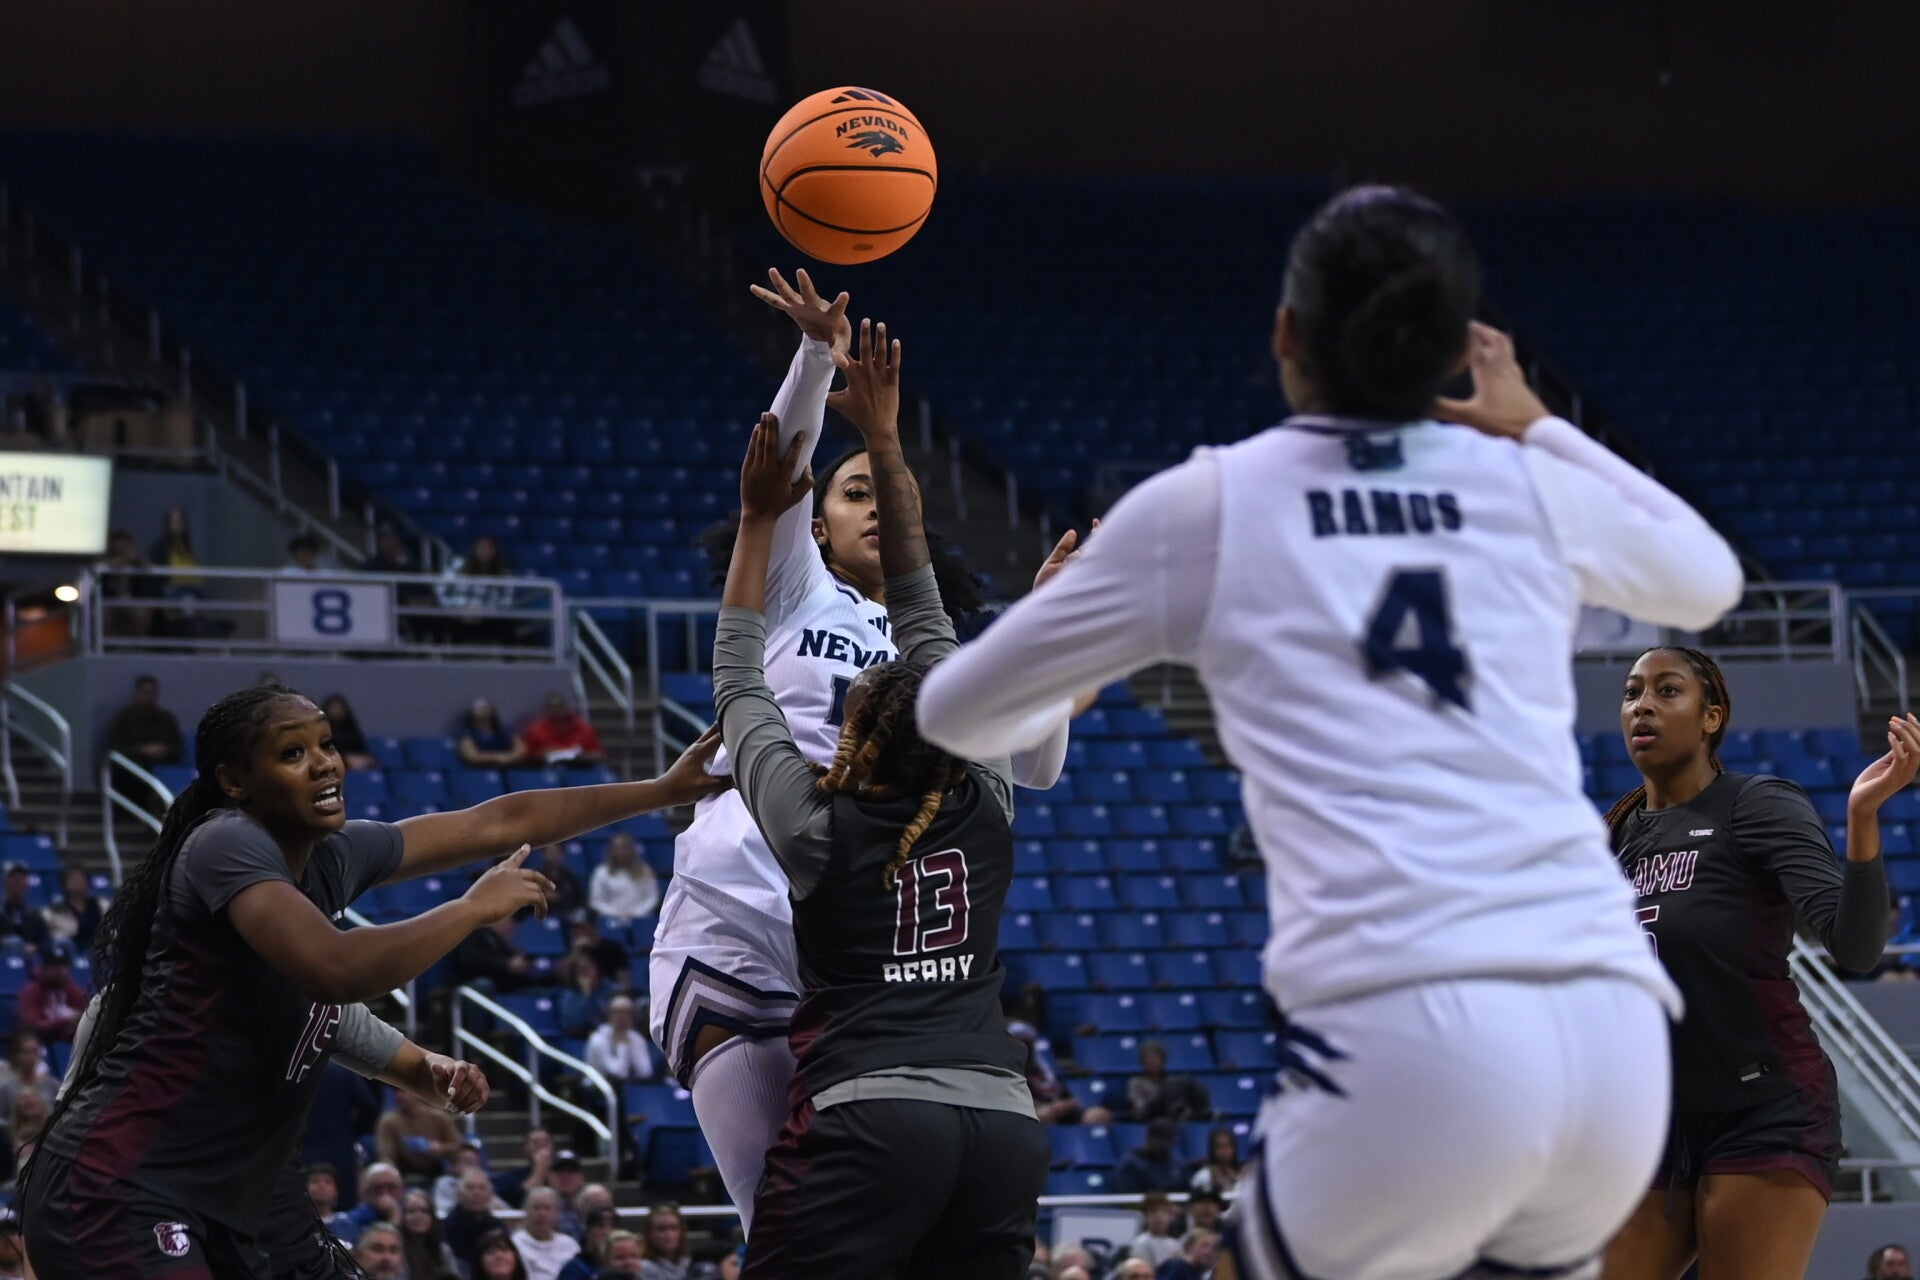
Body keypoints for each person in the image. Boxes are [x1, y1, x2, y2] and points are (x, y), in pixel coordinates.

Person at [915, 186, 1746, 1280]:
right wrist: (1536, 422)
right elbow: (1709, 579)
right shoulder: (1528, 481)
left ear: (1286, 335)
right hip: (1610, 1031)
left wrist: (1066, 642)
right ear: (1454, 352)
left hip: (1413, 1021)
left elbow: (950, 711)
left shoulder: (1213, 503)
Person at [19, 681, 725, 1278]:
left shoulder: (331, 855)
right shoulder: (223, 844)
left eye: (326, 744)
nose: (324, 764)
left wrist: (661, 790)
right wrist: (470, 908)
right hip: (122, 1183)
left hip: (240, 1192)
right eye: (292, 754)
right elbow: (337, 969)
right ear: (235, 782)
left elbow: (500, 820)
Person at [654, 270, 1072, 1235]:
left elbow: (1039, 764)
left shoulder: (944, 652)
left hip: (862, 954)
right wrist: (813, 357)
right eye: (854, 493)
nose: (875, 502)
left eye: (885, 490)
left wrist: (1047, 638)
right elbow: (784, 460)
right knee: (785, 1226)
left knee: (876, 1235)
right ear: (817, 524)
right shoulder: (798, 589)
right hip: (744, 918)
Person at [1602, 648, 1904, 1280]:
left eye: (1667, 690)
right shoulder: (1616, 837)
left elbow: (1856, 948)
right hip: (1658, 1115)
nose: (1643, 706)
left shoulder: (1755, 804)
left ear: (1711, 717)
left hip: (1764, 1108)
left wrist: (1862, 817)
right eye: (1632, 693)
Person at [378, 1084, 466, 1181]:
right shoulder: (389, 1121)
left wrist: (441, 1148)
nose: (399, 1095)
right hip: (404, 1172)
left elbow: (458, 1146)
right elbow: (386, 1155)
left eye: (404, 1091)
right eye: (396, 1092)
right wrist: (393, 1175)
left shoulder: (438, 1117)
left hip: (438, 1169)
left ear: (417, 1092)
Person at [107, 675, 187, 767]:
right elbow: (116, 748)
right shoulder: (123, 719)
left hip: (163, 766)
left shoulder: (167, 719)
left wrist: (164, 750)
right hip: (132, 768)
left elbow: (180, 749)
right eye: (145, 693)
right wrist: (142, 750)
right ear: (136, 694)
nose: (149, 697)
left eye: (153, 693)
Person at [1125, 1040, 1211, 1123]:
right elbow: (1140, 1108)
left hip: (1172, 1116)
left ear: (1164, 1061)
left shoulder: (1174, 1081)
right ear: (1142, 1062)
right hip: (1151, 1117)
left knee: (1187, 1082)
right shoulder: (1136, 1083)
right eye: (1149, 1058)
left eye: (1156, 1058)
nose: (1153, 1062)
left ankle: (1200, 1114)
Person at [512, 1187, 582, 1280]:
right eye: (536, 1208)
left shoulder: (570, 1245)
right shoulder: (515, 1244)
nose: (541, 1213)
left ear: (557, 1214)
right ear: (527, 1212)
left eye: (547, 1208)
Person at [455, 915, 536, 993]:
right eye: (506, 922)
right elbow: (472, 960)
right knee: (484, 984)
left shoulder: (493, 937)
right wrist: (506, 964)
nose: (510, 927)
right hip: (471, 981)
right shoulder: (472, 934)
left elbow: (509, 957)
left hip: (499, 981)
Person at [589, 833, 659, 923]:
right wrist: (616, 913)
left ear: (631, 849)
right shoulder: (601, 872)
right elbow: (596, 901)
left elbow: (652, 897)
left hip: (640, 917)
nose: (621, 851)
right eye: (617, 848)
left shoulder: (645, 870)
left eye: (624, 847)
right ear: (611, 850)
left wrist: (637, 912)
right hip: (611, 918)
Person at [587, 995, 656, 1083]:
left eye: (627, 1013)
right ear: (609, 1015)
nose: (622, 1017)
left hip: (625, 1086)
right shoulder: (598, 1039)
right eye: (617, 1012)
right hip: (597, 1086)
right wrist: (623, 1045)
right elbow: (618, 1074)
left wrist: (632, 1050)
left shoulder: (637, 1038)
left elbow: (645, 1072)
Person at [447, 1168, 506, 1270]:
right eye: (470, 1188)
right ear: (459, 1194)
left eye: (482, 1188)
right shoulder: (450, 1225)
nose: (476, 1193)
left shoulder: (497, 1225)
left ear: (490, 1194)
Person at [524, 695, 606, 768]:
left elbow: (598, 755)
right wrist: (544, 754)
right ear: (547, 710)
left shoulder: (584, 728)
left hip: (580, 768)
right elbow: (527, 758)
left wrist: (578, 756)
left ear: (566, 707)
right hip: (548, 770)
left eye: (560, 706)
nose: (557, 711)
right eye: (553, 708)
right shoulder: (536, 730)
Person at [41, 868, 106, 955]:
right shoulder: (55, 911)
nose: (77, 883)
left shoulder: (102, 905)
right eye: (73, 879)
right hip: (71, 953)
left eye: (80, 879)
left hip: (100, 952)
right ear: (65, 884)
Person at [1113, 1118, 1187, 1194]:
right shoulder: (1130, 1165)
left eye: (1170, 1142)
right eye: (1162, 1140)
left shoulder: (1177, 1166)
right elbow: (1129, 1196)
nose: (1166, 1145)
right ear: (1149, 1138)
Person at [461, 698, 529, 768]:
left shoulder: (506, 729)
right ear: (471, 712)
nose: (482, 710)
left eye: (485, 707)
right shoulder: (467, 733)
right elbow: (472, 756)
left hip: (509, 766)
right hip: (482, 769)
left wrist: (510, 757)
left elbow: (522, 749)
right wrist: (498, 757)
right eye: (478, 707)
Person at [0, 1032, 56, 1117]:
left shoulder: (52, 1085)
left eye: (35, 1051)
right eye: (26, 1052)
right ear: (16, 1055)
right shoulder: (7, 1089)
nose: (31, 1056)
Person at [322, 693, 381, 772]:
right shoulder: (323, 732)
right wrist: (346, 760)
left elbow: (361, 748)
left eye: (340, 707)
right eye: (334, 707)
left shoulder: (352, 728)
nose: (337, 711)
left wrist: (365, 759)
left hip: (360, 766)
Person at [305, 1163, 360, 1246]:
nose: (322, 1185)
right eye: (315, 1181)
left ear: (336, 1191)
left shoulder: (348, 1224)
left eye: (328, 1182)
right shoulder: (297, 1223)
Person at [0, 863, 49, 954]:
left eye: (21, 878)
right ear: (5, 882)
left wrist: (35, 947)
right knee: (14, 942)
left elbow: (46, 941)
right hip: (3, 957)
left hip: (29, 959)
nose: (18, 882)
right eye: (14, 878)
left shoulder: (33, 914)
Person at [637, 1205, 693, 1280]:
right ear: (649, 1234)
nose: (668, 1234)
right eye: (661, 1229)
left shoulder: (689, 1265)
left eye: (673, 1228)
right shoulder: (643, 1268)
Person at [1188, 1126, 1242, 1195]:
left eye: (1227, 1146)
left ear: (1234, 1148)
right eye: (1219, 1146)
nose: (1224, 1151)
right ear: (1212, 1150)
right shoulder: (1202, 1176)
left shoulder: (1244, 1176)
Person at [541, 844, 587, 921]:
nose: (554, 856)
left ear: (562, 855)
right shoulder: (537, 876)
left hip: (568, 915)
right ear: (544, 855)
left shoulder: (570, 877)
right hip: (543, 915)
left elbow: (579, 899)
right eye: (550, 852)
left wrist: (559, 897)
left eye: (556, 852)